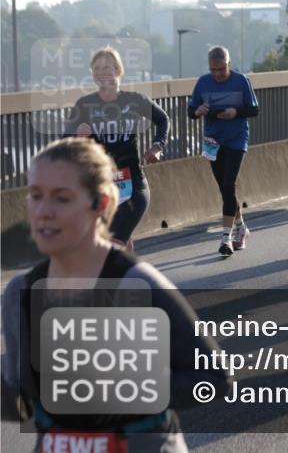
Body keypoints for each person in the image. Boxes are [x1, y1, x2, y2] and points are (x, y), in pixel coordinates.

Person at [2, 138, 229, 452]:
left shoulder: (135, 282)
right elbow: (19, 400)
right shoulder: (20, 293)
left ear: (102, 205)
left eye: (62, 198)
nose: (44, 211)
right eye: (36, 196)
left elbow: (214, 377)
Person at [65, 47, 169, 253]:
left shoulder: (134, 100)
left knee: (110, 247)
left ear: (118, 70)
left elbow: (163, 119)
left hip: (133, 186)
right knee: (116, 243)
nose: (102, 72)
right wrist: (77, 134)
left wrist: (158, 146)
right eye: (97, 68)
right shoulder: (85, 105)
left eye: (107, 67)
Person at [188, 46, 259, 257]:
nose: (217, 74)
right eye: (213, 70)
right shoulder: (203, 82)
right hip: (213, 140)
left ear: (229, 64)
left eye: (221, 69)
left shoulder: (241, 81)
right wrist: (198, 111)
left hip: (236, 139)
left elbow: (254, 109)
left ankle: (226, 238)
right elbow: (191, 111)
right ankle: (241, 227)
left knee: (229, 184)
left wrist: (235, 112)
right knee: (225, 190)